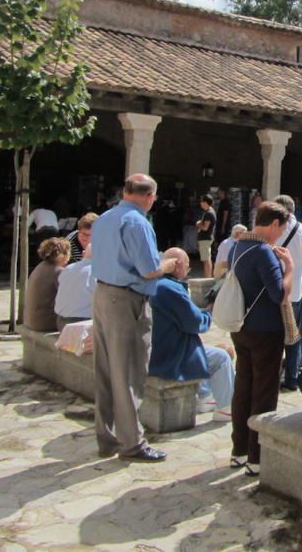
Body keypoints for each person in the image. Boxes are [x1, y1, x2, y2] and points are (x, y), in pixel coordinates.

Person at [91, 174, 178, 462]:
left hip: (103, 294)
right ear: (150, 196)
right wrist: (168, 264)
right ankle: (132, 444)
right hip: (127, 299)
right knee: (128, 371)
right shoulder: (138, 222)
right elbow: (148, 269)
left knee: (105, 370)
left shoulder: (104, 218)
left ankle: (107, 437)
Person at [228, 201, 294, 475]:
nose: (280, 235)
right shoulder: (263, 251)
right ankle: (257, 456)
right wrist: (289, 267)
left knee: (243, 387)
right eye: (281, 229)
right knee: (264, 391)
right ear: (274, 224)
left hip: (241, 327)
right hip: (265, 330)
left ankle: (239, 450)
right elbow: (279, 293)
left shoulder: (238, 246)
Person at [148, 248, 234, 422]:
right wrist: (208, 314)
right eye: (187, 268)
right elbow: (194, 323)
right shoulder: (169, 288)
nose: (186, 272)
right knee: (222, 356)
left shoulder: (153, 284)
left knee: (203, 350)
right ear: (177, 265)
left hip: (156, 348)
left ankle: (205, 396)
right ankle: (225, 408)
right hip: (169, 356)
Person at [274, 194, 302, 392]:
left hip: (274, 290)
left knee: (272, 336)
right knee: (293, 338)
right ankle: (292, 377)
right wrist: (298, 271)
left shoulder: (275, 228)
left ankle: (271, 375)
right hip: (295, 291)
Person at [24, 237, 70, 331]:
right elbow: (69, 298)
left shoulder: (40, 266)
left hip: (31, 319)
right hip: (44, 322)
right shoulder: (58, 271)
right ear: (62, 255)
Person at [54, 242, 96, 332]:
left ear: (83, 253)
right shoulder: (96, 272)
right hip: (81, 323)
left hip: (61, 321)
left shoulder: (68, 268)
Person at [196, 194, 217, 277]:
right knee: (206, 258)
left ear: (205, 202)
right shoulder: (208, 212)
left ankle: (207, 277)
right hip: (205, 238)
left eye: (202, 201)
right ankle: (207, 276)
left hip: (205, 238)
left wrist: (198, 224)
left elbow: (205, 227)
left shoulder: (209, 213)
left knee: (206, 259)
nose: (200, 203)